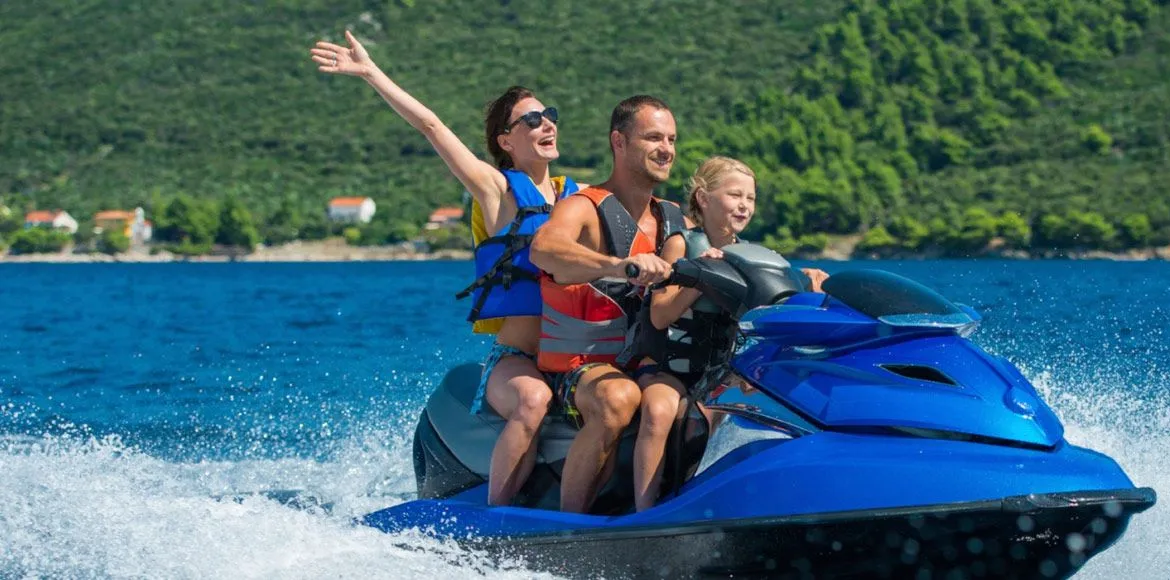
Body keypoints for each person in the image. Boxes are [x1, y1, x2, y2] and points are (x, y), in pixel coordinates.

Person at [310, 31, 578, 507]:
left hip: (574, 358)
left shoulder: (578, 200)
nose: (547, 124)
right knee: (533, 402)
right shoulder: (496, 190)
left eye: (550, 115)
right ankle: (499, 517)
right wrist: (372, 73)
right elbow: (432, 126)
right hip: (517, 363)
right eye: (532, 119)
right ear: (506, 140)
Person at [624, 156, 829, 510]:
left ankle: (690, 503)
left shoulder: (751, 257)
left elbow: (766, 320)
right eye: (735, 195)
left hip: (712, 375)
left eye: (750, 198)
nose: (744, 205)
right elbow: (659, 316)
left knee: (703, 426)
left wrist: (809, 292)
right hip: (664, 367)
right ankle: (645, 514)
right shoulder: (682, 243)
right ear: (704, 198)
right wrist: (703, 276)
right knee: (660, 410)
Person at [528, 95, 687, 514]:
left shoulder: (672, 218)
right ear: (619, 141)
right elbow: (543, 249)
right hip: (578, 370)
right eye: (653, 137)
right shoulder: (583, 207)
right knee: (619, 397)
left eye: (671, 138)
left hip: (646, 363)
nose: (666, 148)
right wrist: (619, 266)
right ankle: (570, 530)